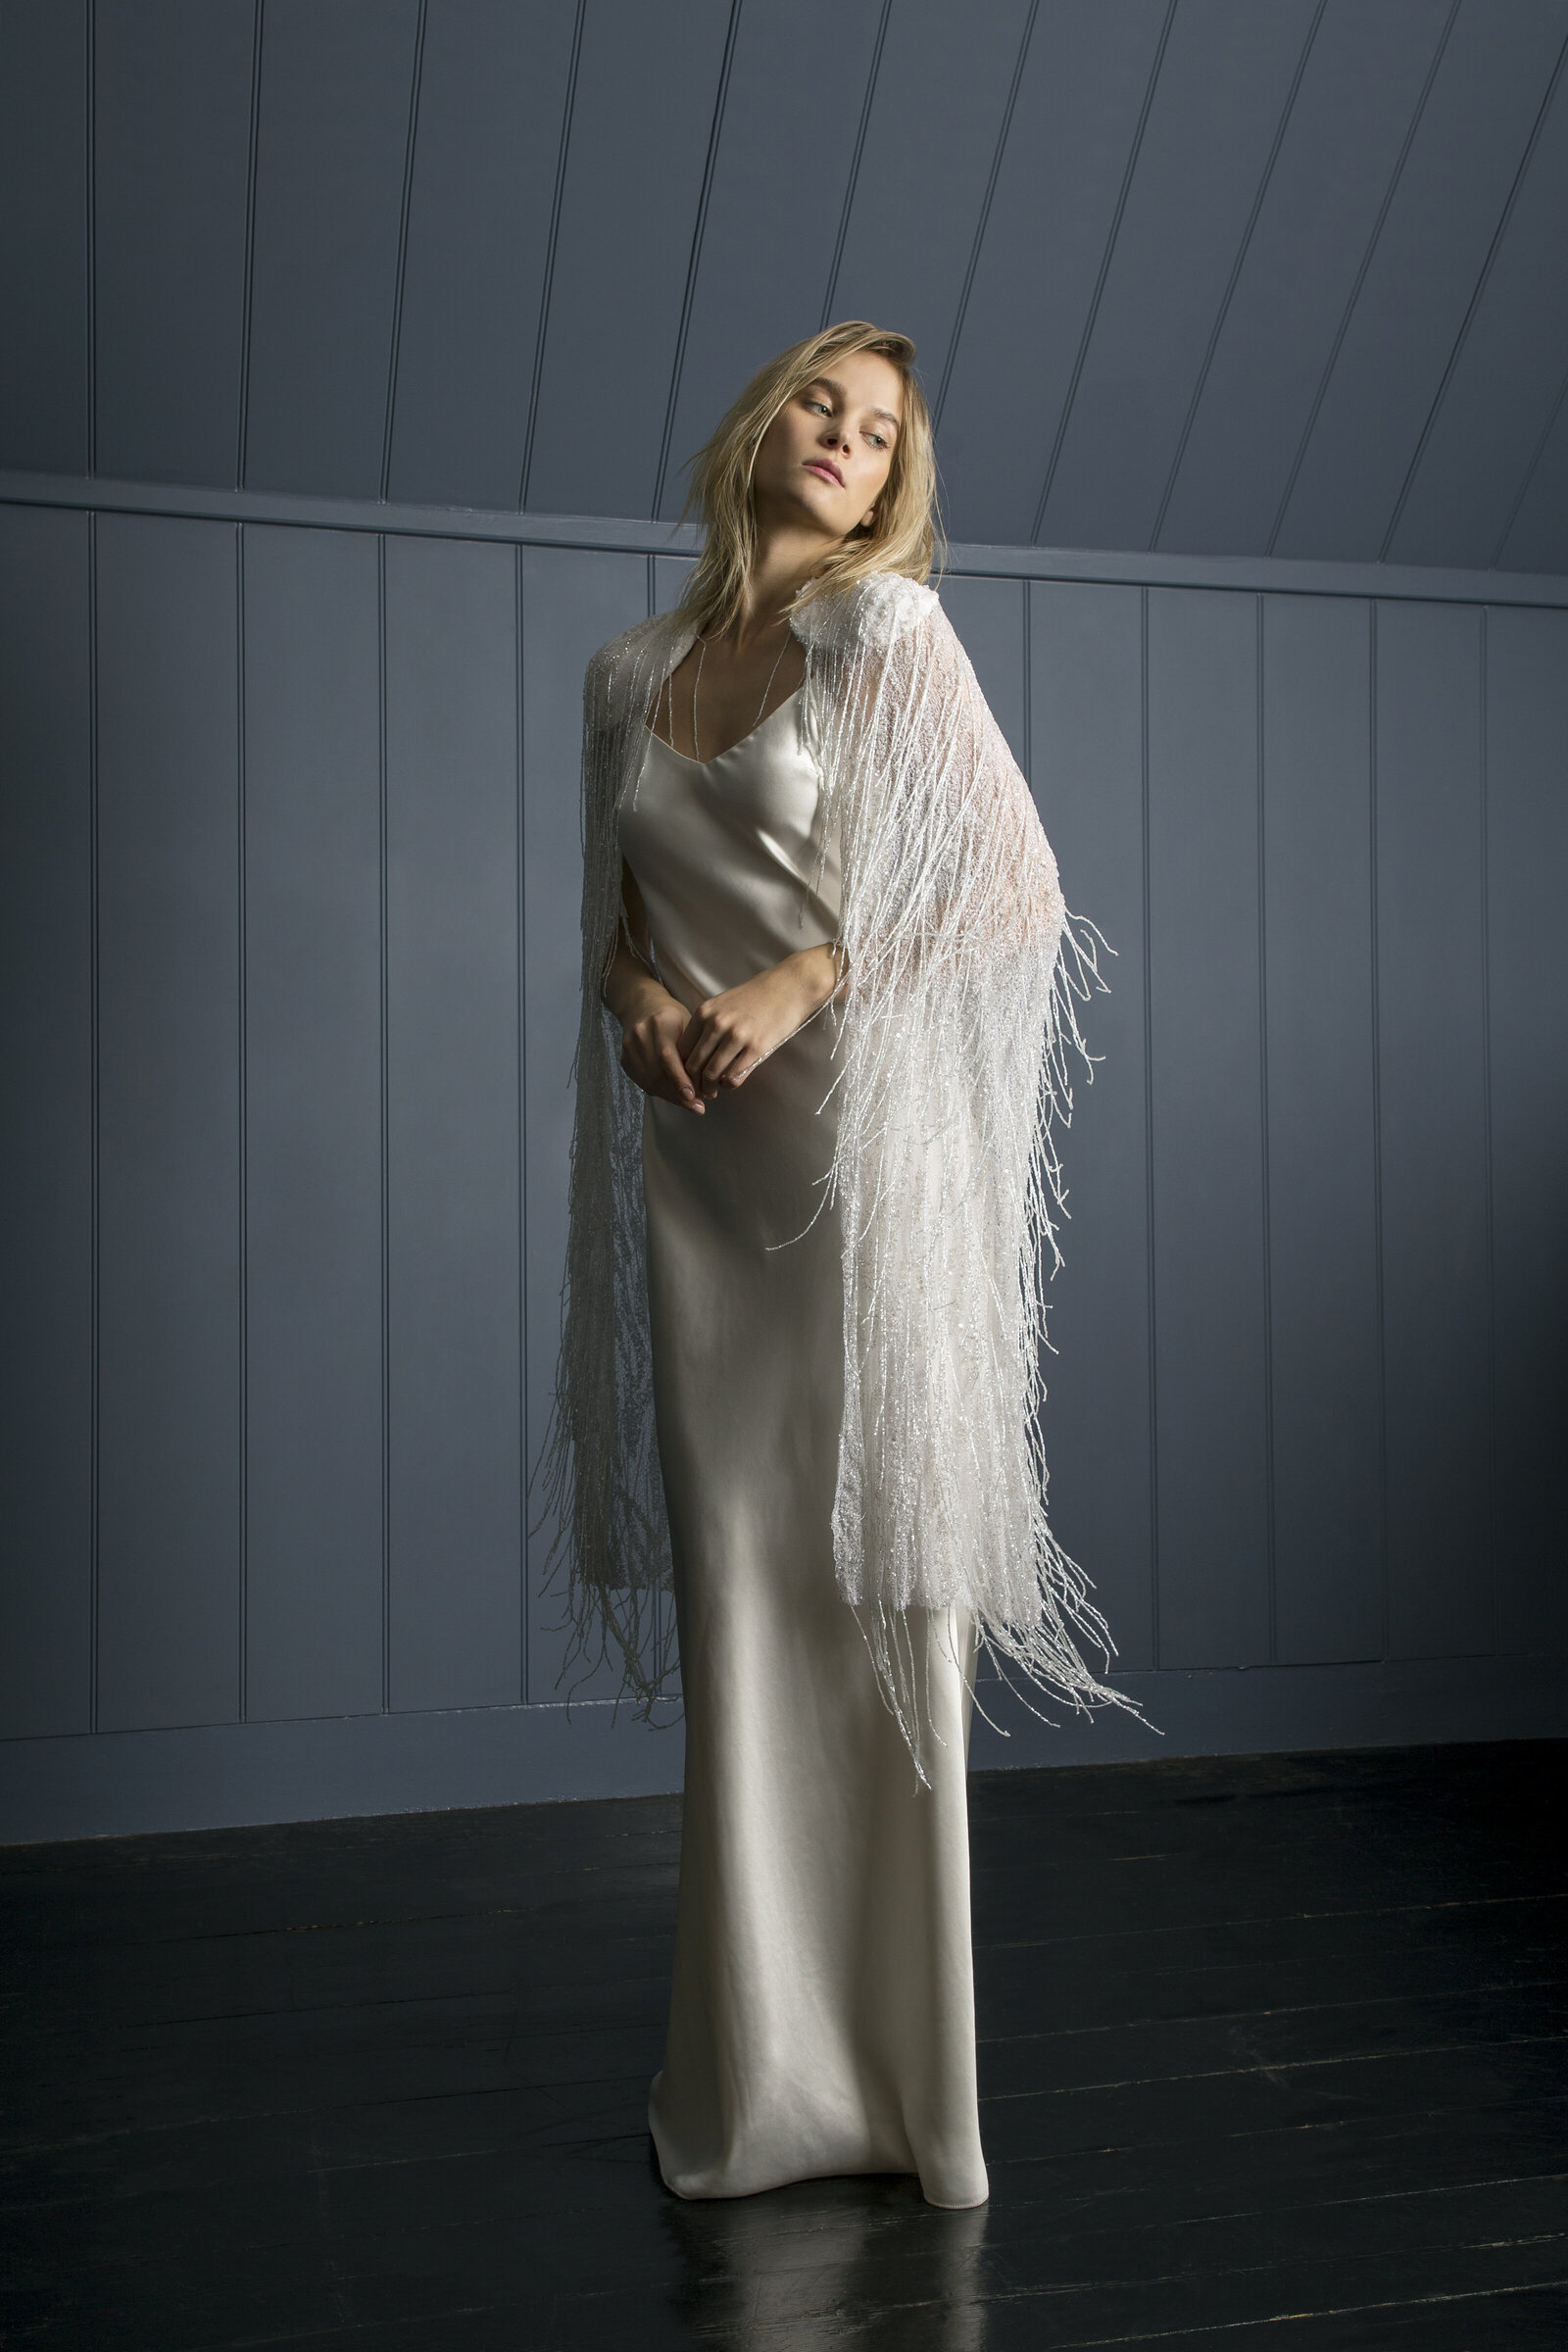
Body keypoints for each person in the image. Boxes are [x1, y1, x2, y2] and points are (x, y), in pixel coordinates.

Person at [536, 321, 1141, 2212]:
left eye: (882, 436)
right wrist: (639, 1001)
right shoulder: (625, 673)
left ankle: (903, 2100)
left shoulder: (885, 638)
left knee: (876, 1615)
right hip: (703, 1195)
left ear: (894, 490)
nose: (846, 444)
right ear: (761, 418)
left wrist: (806, 974)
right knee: (741, 1617)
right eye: (825, 403)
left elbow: (1008, 887)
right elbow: (609, 929)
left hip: (856, 1190)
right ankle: (753, 2086)